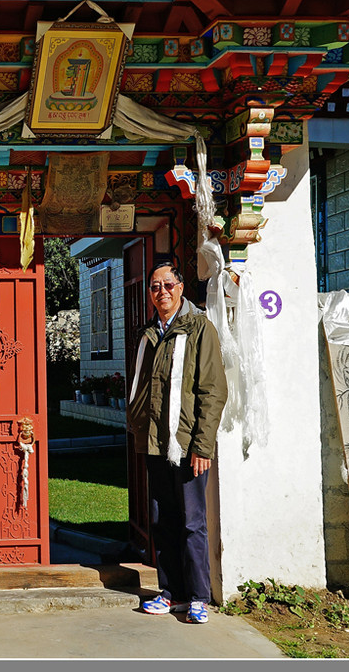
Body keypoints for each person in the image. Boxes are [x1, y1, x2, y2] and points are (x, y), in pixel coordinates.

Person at [126, 259, 228, 625]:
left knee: (192, 523)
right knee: (163, 520)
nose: (161, 292)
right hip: (156, 444)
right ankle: (172, 593)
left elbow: (213, 391)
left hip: (185, 445)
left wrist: (203, 445)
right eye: (155, 286)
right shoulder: (150, 333)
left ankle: (199, 595)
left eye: (168, 284)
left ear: (181, 287)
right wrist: (137, 428)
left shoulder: (199, 328)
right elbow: (144, 390)